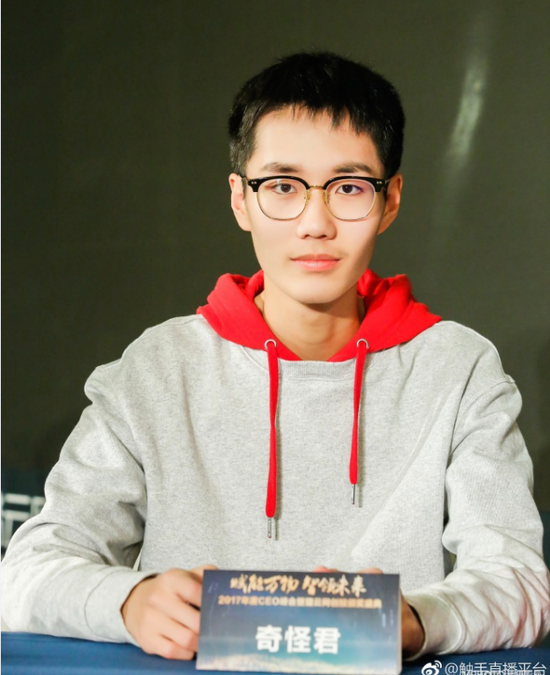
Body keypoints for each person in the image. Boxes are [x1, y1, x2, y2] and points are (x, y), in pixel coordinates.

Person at [2, 51, 549, 662]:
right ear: (240, 199)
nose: (315, 223)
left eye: (348, 188)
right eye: (283, 187)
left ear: (390, 200)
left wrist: (419, 619)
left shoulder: (459, 369)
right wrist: (129, 601)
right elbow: (26, 572)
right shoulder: (156, 370)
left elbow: (518, 582)